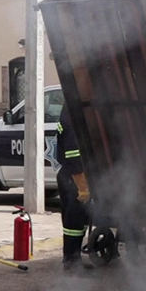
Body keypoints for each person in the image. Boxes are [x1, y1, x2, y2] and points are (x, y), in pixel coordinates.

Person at [55, 104, 91, 270]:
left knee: (79, 220)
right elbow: (73, 153)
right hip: (74, 175)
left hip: (73, 174)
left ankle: (73, 260)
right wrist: (82, 186)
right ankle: (71, 263)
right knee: (73, 223)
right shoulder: (72, 115)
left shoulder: (70, 108)